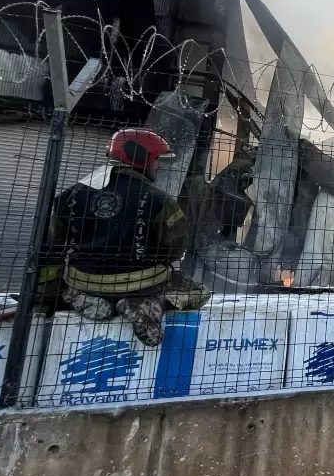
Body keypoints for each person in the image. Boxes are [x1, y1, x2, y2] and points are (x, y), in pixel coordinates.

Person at [40, 128, 209, 346]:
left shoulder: (69, 196)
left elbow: (52, 247)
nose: (157, 166)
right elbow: (174, 251)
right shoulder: (160, 201)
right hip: (141, 287)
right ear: (141, 158)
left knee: (69, 288)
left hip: (84, 283)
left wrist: (47, 291)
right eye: (156, 160)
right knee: (197, 291)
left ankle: (86, 302)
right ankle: (145, 306)